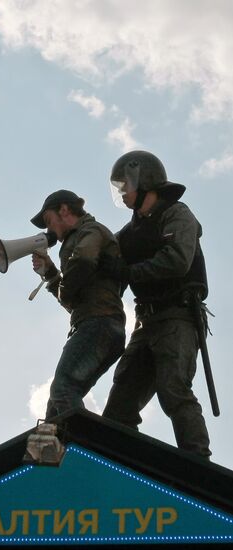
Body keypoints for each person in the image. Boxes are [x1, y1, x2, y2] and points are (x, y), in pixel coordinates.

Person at [100, 150, 212, 458]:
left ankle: (198, 470)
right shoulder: (129, 232)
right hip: (146, 323)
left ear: (145, 181)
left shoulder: (178, 214)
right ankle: (123, 466)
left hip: (178, 317)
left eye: (126, 185)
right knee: (119, 404)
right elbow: (104, 261)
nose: (122, 192)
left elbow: (176, 261)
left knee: (173, 390)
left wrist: (128, 271)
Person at [30, 189, 125, 420]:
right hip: (96, 325)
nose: (48, 228)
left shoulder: (91, 230)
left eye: (48, 220)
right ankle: (59, 452)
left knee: (63, 389)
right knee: (55, 406)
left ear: (64, 210)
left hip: (99, 324)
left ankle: (86, 446)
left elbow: (83, 262)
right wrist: (52, 275)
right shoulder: (82, 236)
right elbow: (76, 302)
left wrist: (61, 284)